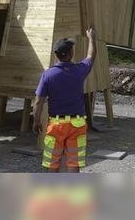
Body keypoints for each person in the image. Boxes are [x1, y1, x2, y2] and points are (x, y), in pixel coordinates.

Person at [32, 28, 97, 173]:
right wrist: (91, 38)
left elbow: (38, 102)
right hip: (77, 124)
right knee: (74, 163)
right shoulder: (79, 71)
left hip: (56, 125)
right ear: (70, 53)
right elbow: (91, 56)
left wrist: (36, 121)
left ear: (56, 55)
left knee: (53, 163)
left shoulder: (48, 75)